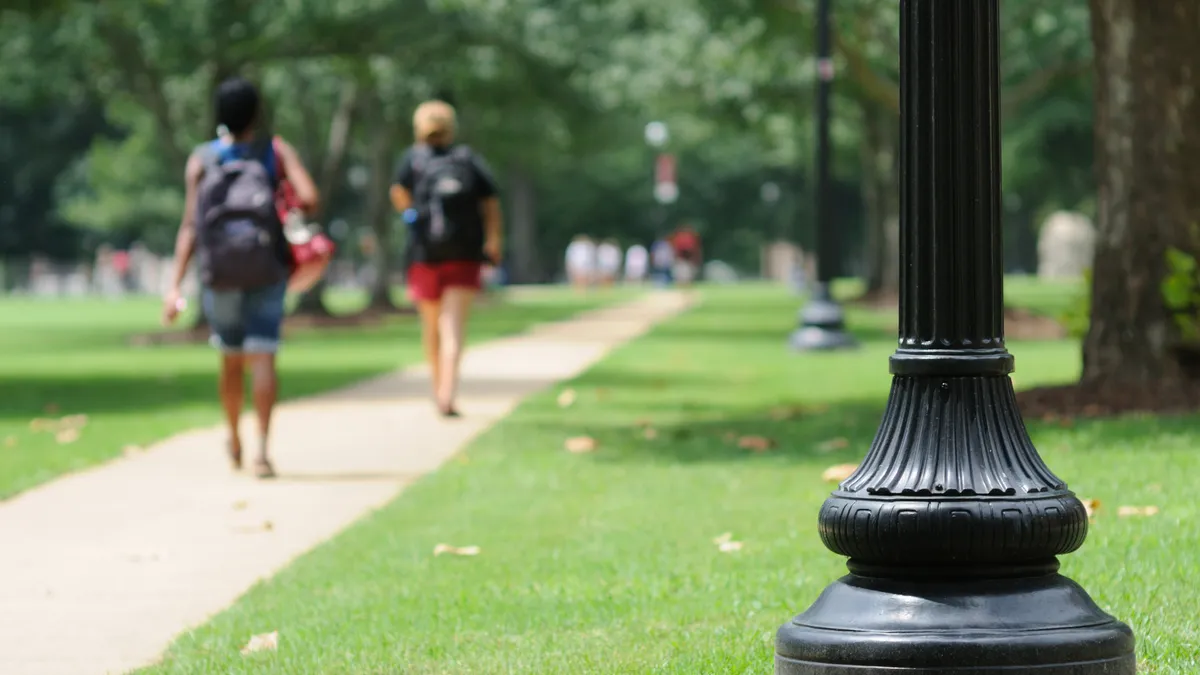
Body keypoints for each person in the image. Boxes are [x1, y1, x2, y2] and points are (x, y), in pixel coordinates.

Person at [162, 77, 320, 479]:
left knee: (230, 361)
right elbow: (310, 197)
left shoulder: (202, 159)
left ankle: (234, 439)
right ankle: (263, 452)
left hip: (219, 274)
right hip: (266, 267)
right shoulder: (274, 150)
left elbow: (189, 226)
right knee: (263, 355)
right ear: (256, 111)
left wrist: (175, 285)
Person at [390, 100, 502, 418]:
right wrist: (493, 240)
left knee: (432, 328)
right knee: (452, 328)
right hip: (465, 255)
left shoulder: (412, 159)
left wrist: (411, 214)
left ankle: (437, 387)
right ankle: (447, 393)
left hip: (425, 254)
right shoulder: (467, 159)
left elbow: (397, 192)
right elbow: (491, 202)